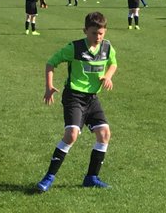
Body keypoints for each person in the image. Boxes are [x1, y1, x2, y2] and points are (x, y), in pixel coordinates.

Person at [36, 11, 117, 192]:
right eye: (93, 33)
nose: (97, 37)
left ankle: (91, 177)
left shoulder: (107, 48)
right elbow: (51, 63)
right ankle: (48, 177)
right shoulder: (74, 47)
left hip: (92, 98)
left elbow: (113, 63)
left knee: (104, 134)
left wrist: (108, 76)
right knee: (71, 135)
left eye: (101, 33)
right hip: (74, 96)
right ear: (85, 31)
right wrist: (49, 87)